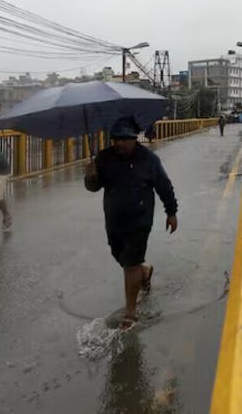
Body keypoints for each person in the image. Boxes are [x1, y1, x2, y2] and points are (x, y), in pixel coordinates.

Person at [84, 116, 178, 330]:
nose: (119, 143)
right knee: (120, 256)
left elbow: (164, 186)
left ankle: (130, 311)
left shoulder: (149, 159)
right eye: (115, 139)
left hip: (140, 218)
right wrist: (90, 177)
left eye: (124, 139)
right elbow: (94, 187)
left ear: (134, 138)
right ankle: (144, 271)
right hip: (114, 218)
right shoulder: (104, 158)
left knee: (130, 262)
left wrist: (171, 212)